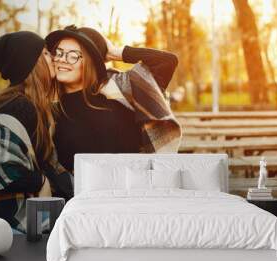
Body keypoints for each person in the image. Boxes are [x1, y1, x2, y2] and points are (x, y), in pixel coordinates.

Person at [0, 31, 73, 233]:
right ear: (30, 64)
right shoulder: (18, 107)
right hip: (8, 220)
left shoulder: (34, 106)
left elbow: (46, 164)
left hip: (13, 217)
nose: (53, 58)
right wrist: (40, 181)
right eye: (45, 54)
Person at [45, 25, 182, 172]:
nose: (62, 60)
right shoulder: (51, 112)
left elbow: (167, 61)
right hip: (80, 192)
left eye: (73, 55)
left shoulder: (121, 92)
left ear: (91, 63)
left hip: (131, 187)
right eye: (58, 53)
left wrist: (115, 52)